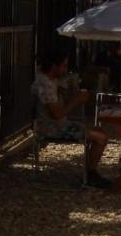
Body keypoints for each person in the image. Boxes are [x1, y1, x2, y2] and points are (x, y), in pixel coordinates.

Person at [32, 50, 112, 188]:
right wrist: (76, 100)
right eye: (63, 65)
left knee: (99, 131)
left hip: (57, 124)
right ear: (54, 66)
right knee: (101, 137)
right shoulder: (45, 85)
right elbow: (57, 114)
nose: (66, 69)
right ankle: (91, 175)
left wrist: (71, 93)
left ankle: (90, 173)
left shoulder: (51, 81)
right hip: (51, 128)